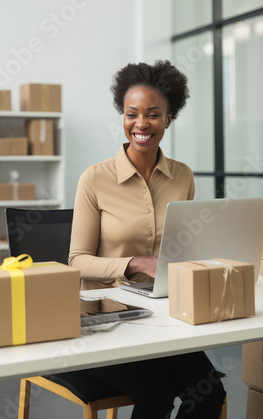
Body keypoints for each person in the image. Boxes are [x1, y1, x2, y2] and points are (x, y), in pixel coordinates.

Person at [68, 61, 226, 418]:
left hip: (161, 314)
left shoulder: (182, 176)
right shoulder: (94, 179)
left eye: (153, 114)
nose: (141, 124)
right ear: (122, 117)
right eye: (131, 114)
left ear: (168, 119)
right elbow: (76, 261)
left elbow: (183, 249)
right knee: (156, 393)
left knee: (209, 392)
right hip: (103, 319)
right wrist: (136, 263)